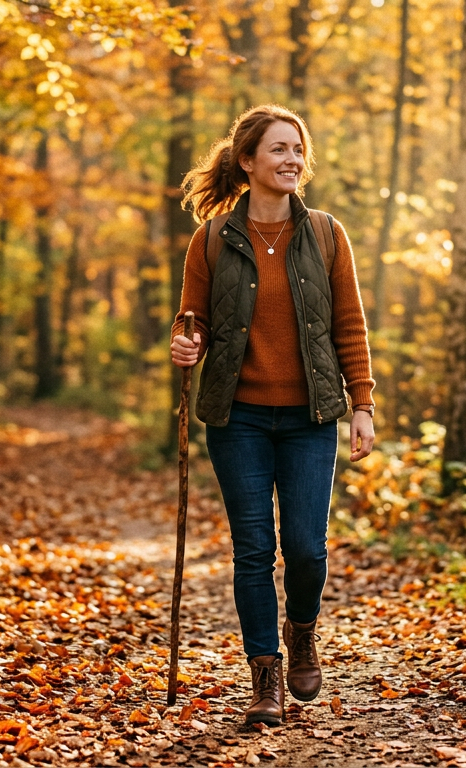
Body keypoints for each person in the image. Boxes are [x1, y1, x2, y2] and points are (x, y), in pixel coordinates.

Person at [170, 104, 376, 726]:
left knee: (308, 549)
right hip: (240, 421)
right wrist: (187, 344)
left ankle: (302, 631)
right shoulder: (210, 239)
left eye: (297, 150)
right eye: (279, 150)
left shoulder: (326, 233)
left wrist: (362, 403)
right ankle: (265, 676)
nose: (291, 160)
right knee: (253, 549)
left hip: (311, 418)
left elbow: (349, 324)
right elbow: (193, 321)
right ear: (247, 161)